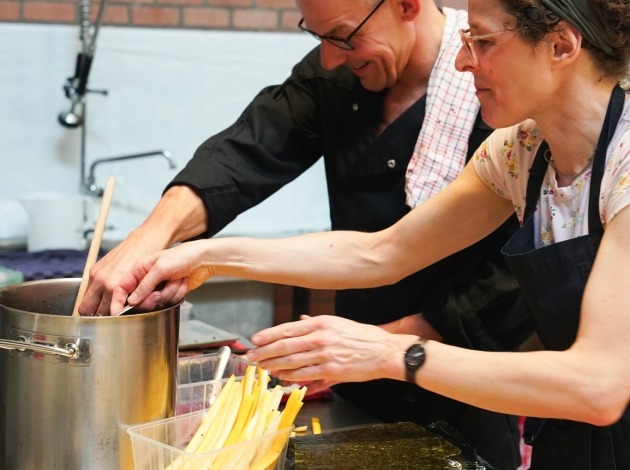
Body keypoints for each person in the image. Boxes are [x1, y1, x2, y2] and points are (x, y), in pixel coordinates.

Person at [110, 0, 630, 467]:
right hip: (574, 443)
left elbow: (598, 386)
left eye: (484, 42)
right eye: (467, 40)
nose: (462, 61)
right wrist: (204, 255)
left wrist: (389, 353)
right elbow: (383, 251)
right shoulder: (520, 151)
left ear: (562, 45)